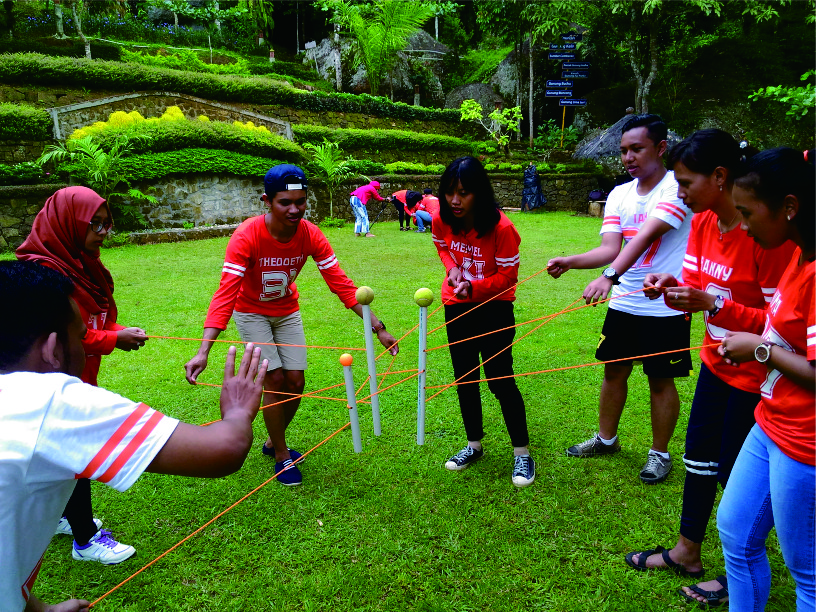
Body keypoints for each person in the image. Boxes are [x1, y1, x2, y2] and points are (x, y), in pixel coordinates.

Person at [0, 260, 267, 612]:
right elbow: (224, 449)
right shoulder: (50, 402)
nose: (85, 348)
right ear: (52, 349)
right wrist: (237, 411)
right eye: (81, 337)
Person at [622, 131, 795, 606]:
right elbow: (698, 284)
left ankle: (736, 567)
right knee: (698, 458)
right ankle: (687, 551)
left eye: (685, 183)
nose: (680, 194)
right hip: (716, 366)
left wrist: (712, 301)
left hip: (756, 378)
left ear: (720, 177)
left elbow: (778, 324)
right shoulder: (701, 225)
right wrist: (672, 285)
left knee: (735, 479)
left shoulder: (765, 234)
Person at [184, 164, 399, 487]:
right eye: (285, 202)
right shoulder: (247, 236)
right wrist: (204, 351)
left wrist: (378, 326)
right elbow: (225, 293)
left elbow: (340, 284)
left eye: (301, 201)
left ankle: (272, 441)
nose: (295, 209)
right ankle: (283, 455)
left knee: (296, 381)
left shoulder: (311, 234)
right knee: (274, 379)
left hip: (287, 311)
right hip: (251, 313)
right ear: (267, 201)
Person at [546, 114, 693, 484]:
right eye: (624, 150)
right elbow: (611, 247)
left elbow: (644, 237)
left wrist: (610, 277)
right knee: (614, 371)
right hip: (625, 302)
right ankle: (606, 439)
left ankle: (660, 454)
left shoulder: (677, 188)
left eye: (636, 149)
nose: (627, 157)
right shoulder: (619, 194)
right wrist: (572, 262)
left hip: (665, 303)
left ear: (660, 148)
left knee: (660, 379)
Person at [16, 186, 148, 565]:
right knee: (75, 452)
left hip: (77, 372)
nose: (104, 233)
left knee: (54, 454)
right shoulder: (43, 271)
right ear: (68, 223)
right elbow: (63, 333)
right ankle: (86, 539)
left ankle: (59, 516)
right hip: (49, 377)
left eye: (108, 225)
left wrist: (118, 330)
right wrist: (112, 339)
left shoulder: (80, 261)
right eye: (96, 225)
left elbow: (93, 318)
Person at [714, 148, 815, 611]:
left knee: (808, 574)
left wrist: (758, 349)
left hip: (804, 444)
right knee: (736, 535)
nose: (745, 226)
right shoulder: (797, 255)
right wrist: (713, 306)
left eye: (749, 213)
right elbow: (780, 330)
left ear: (789, 207)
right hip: (769, 423)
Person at [432, 156, 535, 488]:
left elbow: (508, 277)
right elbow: (442, 247)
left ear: (480, 192)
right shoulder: (441, 218)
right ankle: (474, 445)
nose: (455, 201)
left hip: (494, 310)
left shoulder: (503, 228)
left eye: (463, 193)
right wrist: (452, 271)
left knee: (500, 380)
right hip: (457, 308)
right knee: (465, 379)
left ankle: (522, 453)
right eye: (449, 192)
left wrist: (474, 286)